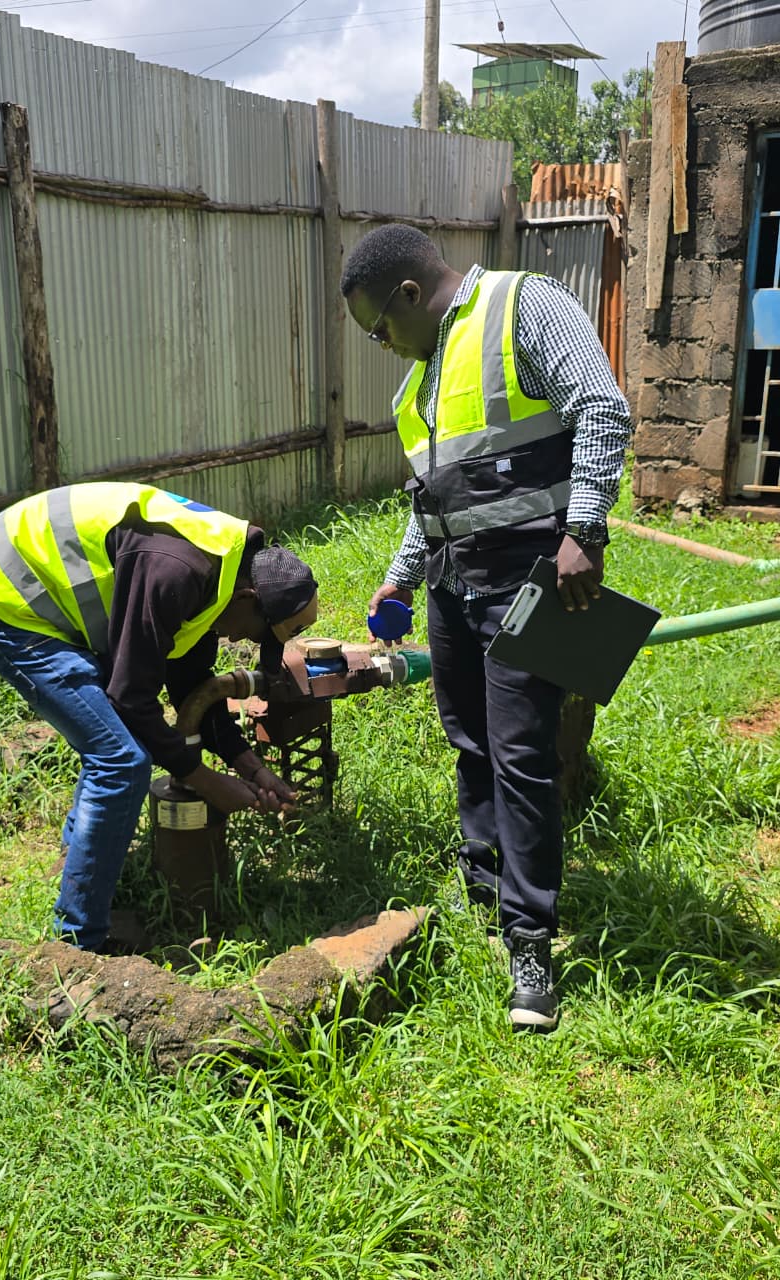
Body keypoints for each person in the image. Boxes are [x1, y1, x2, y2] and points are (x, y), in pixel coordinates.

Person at [341, 224, 632, 1031]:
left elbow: (602, 412)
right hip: (452, 585)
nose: (380, 344)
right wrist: (400, 576)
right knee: (468, 740)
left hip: (531, 579)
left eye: (379, 328)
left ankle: (530, 941)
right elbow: (432, 496)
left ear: (408, 294)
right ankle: (483, 881)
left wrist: (586, 532)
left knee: (521, 754)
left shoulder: (522, 307)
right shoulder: (425, 377)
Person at [0, 481, 318, 953]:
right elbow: (129, 698)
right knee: (120, 760)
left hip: (32, 595)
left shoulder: (219, 576)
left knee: (111, 745)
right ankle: (78, 944)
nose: (246, 642)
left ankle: (79, 864)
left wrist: (250, 766)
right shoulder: (175, 573)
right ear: (247, 600)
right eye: (259, 634)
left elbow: (191, 683)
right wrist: (206, 781)